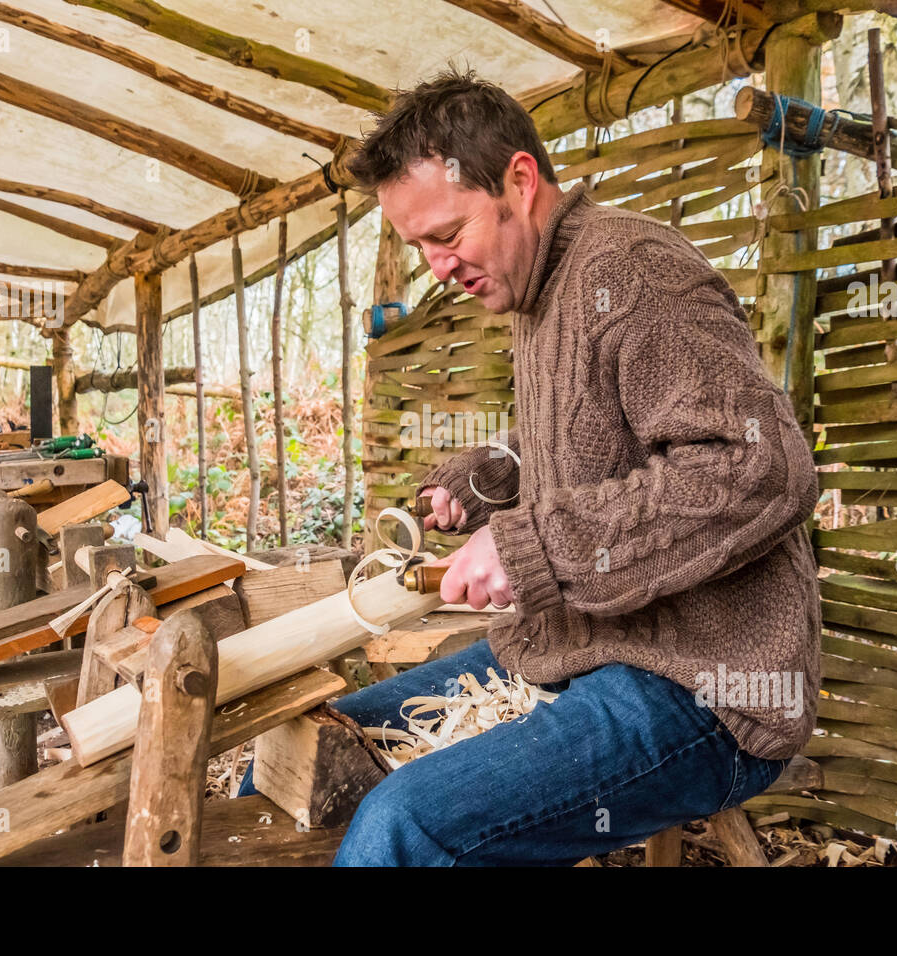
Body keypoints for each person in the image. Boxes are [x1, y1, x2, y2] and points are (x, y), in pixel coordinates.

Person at [239, 68, 822, 866]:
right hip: (574, 649)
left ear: (519, 179)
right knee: (312, 758)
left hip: (704, 684)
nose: (437, 266)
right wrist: (487, 477)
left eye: (447, 235)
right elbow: (602, 439)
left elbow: (760, 469)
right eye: (419, 248)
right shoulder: (539, 285)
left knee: (407, 824)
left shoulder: (634, 273)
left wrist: (536, 547)